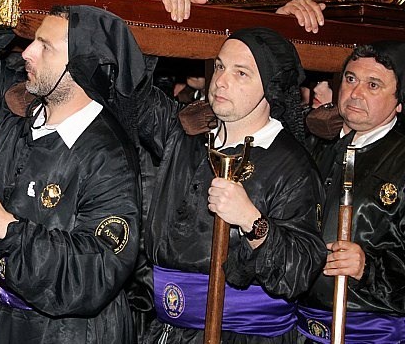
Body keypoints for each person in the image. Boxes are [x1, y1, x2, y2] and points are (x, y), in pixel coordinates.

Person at [0, 0, 145, 342]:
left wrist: (7, 229)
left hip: (69, 333)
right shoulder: (17, 114)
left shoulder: (108, 155)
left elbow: (97, 272)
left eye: (45, 46)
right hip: (5, 318)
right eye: (32, 41)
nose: (26, 51)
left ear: (82, 65)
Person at [126, 27, 327, 343]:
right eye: (219, 66)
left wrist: (251, 220)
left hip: (238, 335)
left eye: (241, 73)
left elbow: (299, 271)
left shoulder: (293, 164)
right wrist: (157, 22)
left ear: (270, 88)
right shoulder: (184, 135)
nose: (220, 80)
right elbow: (130, 96)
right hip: (164, 330)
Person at [295, 40, 405, 343]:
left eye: (373, 85)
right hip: (302, 327)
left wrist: (368, 266)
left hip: (372, 330)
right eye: (350, 78)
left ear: (399, 101)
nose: (355, 93)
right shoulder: (312, 144)